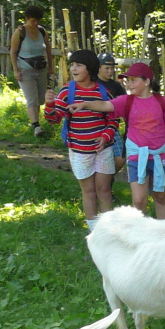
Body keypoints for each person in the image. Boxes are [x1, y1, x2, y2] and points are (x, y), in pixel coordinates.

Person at [73, 63, 165, 219]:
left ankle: (164, 231)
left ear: (147, 81)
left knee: (161, 197)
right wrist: (85, 104)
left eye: (133, 80)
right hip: (136, 156)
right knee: (138, 201)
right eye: (127, 81)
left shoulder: (162, 101)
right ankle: (138, 232)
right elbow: (105, 105)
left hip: (160, 155)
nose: (129, 84)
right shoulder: (126, 101)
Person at [43, 50, 118, 231]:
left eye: (79, 65)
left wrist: (105, 137)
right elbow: (54, 119)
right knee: (89, 191)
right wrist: (49, 104)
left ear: (90, 68)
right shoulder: (66, 91)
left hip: (103, 150)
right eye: (72, 65)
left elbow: (114, 119)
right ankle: (94, 232)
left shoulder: (103, 92)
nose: (73, 69)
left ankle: (108, 231)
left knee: (104, 190)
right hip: (79, 151)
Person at [10, 5, 54, 137]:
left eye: (38, 20)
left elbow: (48, 50)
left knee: (40, 98)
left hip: (41, 68)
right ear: (27, 18)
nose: (36, 23)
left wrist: (51, 67)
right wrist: (16, 70)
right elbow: (13, 51)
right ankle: (36, 126)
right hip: (25, 69)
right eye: (33, 21)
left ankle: (36, 122)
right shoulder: (20, 32)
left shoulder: (42, 31)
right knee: (31, 99)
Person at [97, 52, 127, 173]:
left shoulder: (116, 86)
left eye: (112, 68)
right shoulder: (92, 84)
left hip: (112, 126)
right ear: (99, 67)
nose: (110, 71)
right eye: (107, 68)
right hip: (95, 126)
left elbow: (125, 103)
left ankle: (108, 180)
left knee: (120, 158)